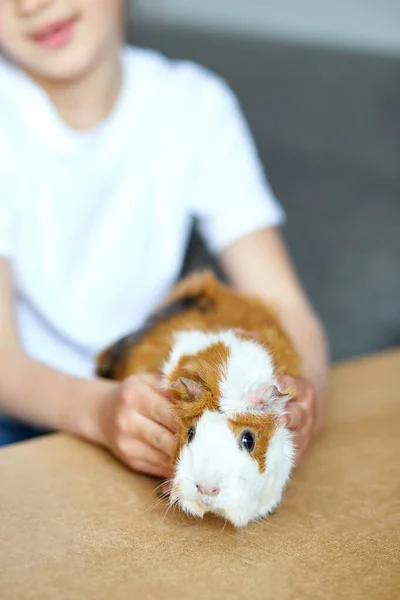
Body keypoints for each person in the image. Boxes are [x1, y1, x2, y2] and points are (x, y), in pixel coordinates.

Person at [0, 0, 328, 479]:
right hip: (23, 418)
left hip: (153, 406)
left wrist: (304, 399)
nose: (31, 4)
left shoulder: (193, 104)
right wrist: (99, 411)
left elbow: (289, 309)